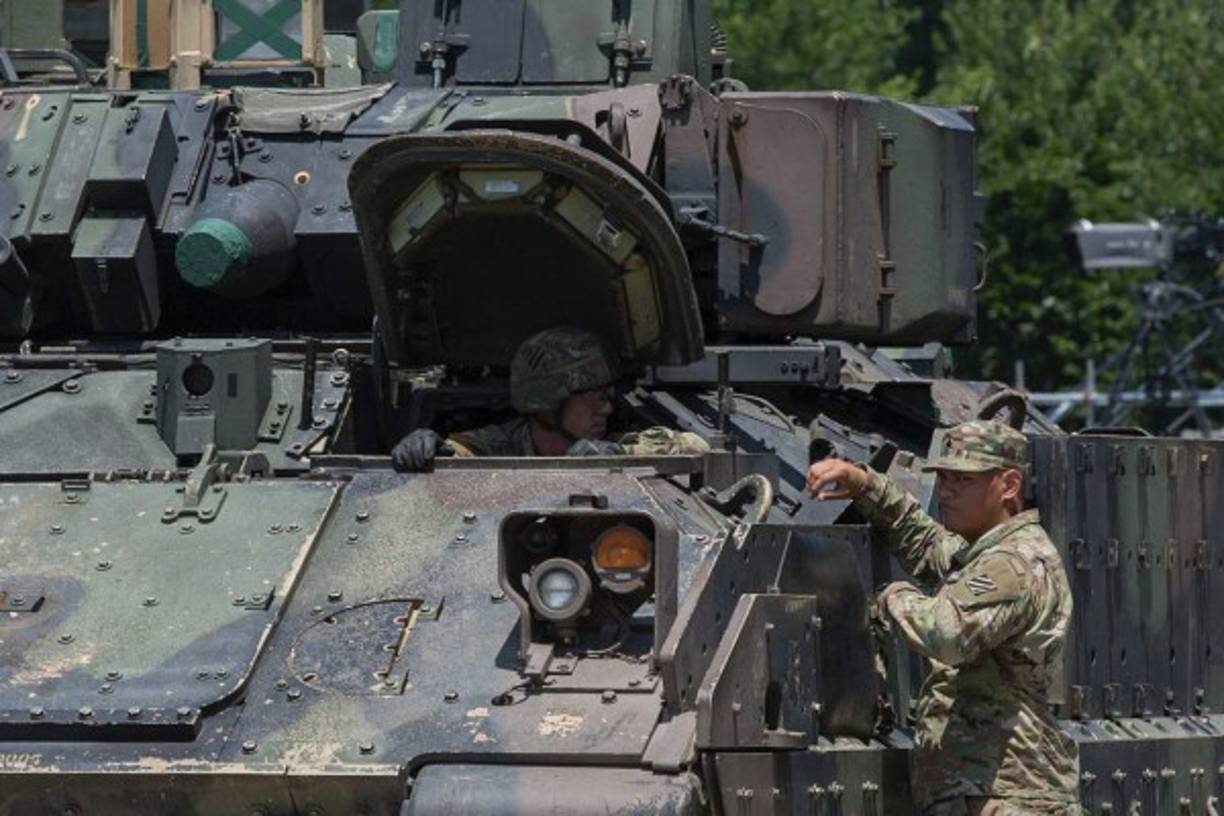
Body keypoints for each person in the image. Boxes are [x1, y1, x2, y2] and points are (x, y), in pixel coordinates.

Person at [806, 420, 1079, 816]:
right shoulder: (987, 553)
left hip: (1008, 795)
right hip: (984, 790)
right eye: (945, 478)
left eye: (963, 480)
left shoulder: (1013, 563)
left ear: (1009, 486)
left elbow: (947, 633)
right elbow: (926, 542)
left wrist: (890, 597)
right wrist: (864, 484)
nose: (947, 491)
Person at [392, 327, 708, 471]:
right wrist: (427, 446)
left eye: (607, 396)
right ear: (549, 402)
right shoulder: (502, 444)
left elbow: (696, 447)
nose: (608, 408)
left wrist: (621, 454)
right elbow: (458, 452)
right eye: (595, 398)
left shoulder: (613, 438)